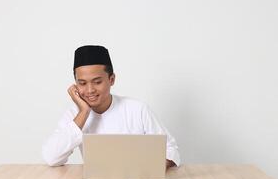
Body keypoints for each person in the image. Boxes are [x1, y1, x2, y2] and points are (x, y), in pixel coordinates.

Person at [42, 45, 181, 169]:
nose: (90, 90)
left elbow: (170, 149)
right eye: (82, 83)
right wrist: (84, 112)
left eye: (97, 82)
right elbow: (52, 157)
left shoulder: (137, 109)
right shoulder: (75, 114)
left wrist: (146, 168)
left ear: (111, 79)